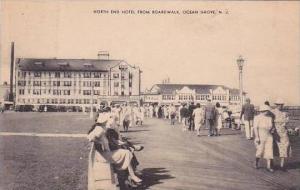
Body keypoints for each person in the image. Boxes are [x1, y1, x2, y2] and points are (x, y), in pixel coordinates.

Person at [87, 112, 142, 185]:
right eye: (106, 121)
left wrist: (101, 142)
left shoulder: (101, 128)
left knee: (126, 152)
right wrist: (99, 142)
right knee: (126, 152)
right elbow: (90, 137)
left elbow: (109, 140)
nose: (107, 122)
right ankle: (132, 175)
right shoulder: (100, 129)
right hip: (105, 156)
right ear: (104, 121)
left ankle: (131, 175)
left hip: (105, 154)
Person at [253, 105, 274, 172]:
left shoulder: (269, 118)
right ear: (263, 111)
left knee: (269, 149)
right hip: (261, 134)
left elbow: (271, 127)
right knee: (260, 150)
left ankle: (268, 166)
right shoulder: (257, 117)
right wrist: (257, 137)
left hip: (269, 135)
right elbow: (255, 128)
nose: (267, 112)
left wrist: (272, 129)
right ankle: (256, 162)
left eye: (268, 111)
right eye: (266, 111)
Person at [271, 99, 291, 170]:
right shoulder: (272, 112)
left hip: (283, 132)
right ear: (276, 105)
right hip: (275, 132)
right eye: (279, 104)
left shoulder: (285, 113)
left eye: (281, 104)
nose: (280, 106)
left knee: (285, 146)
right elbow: (269, 121)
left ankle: (282, 165)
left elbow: (286, 122)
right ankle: (271, 164)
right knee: (273, 147)